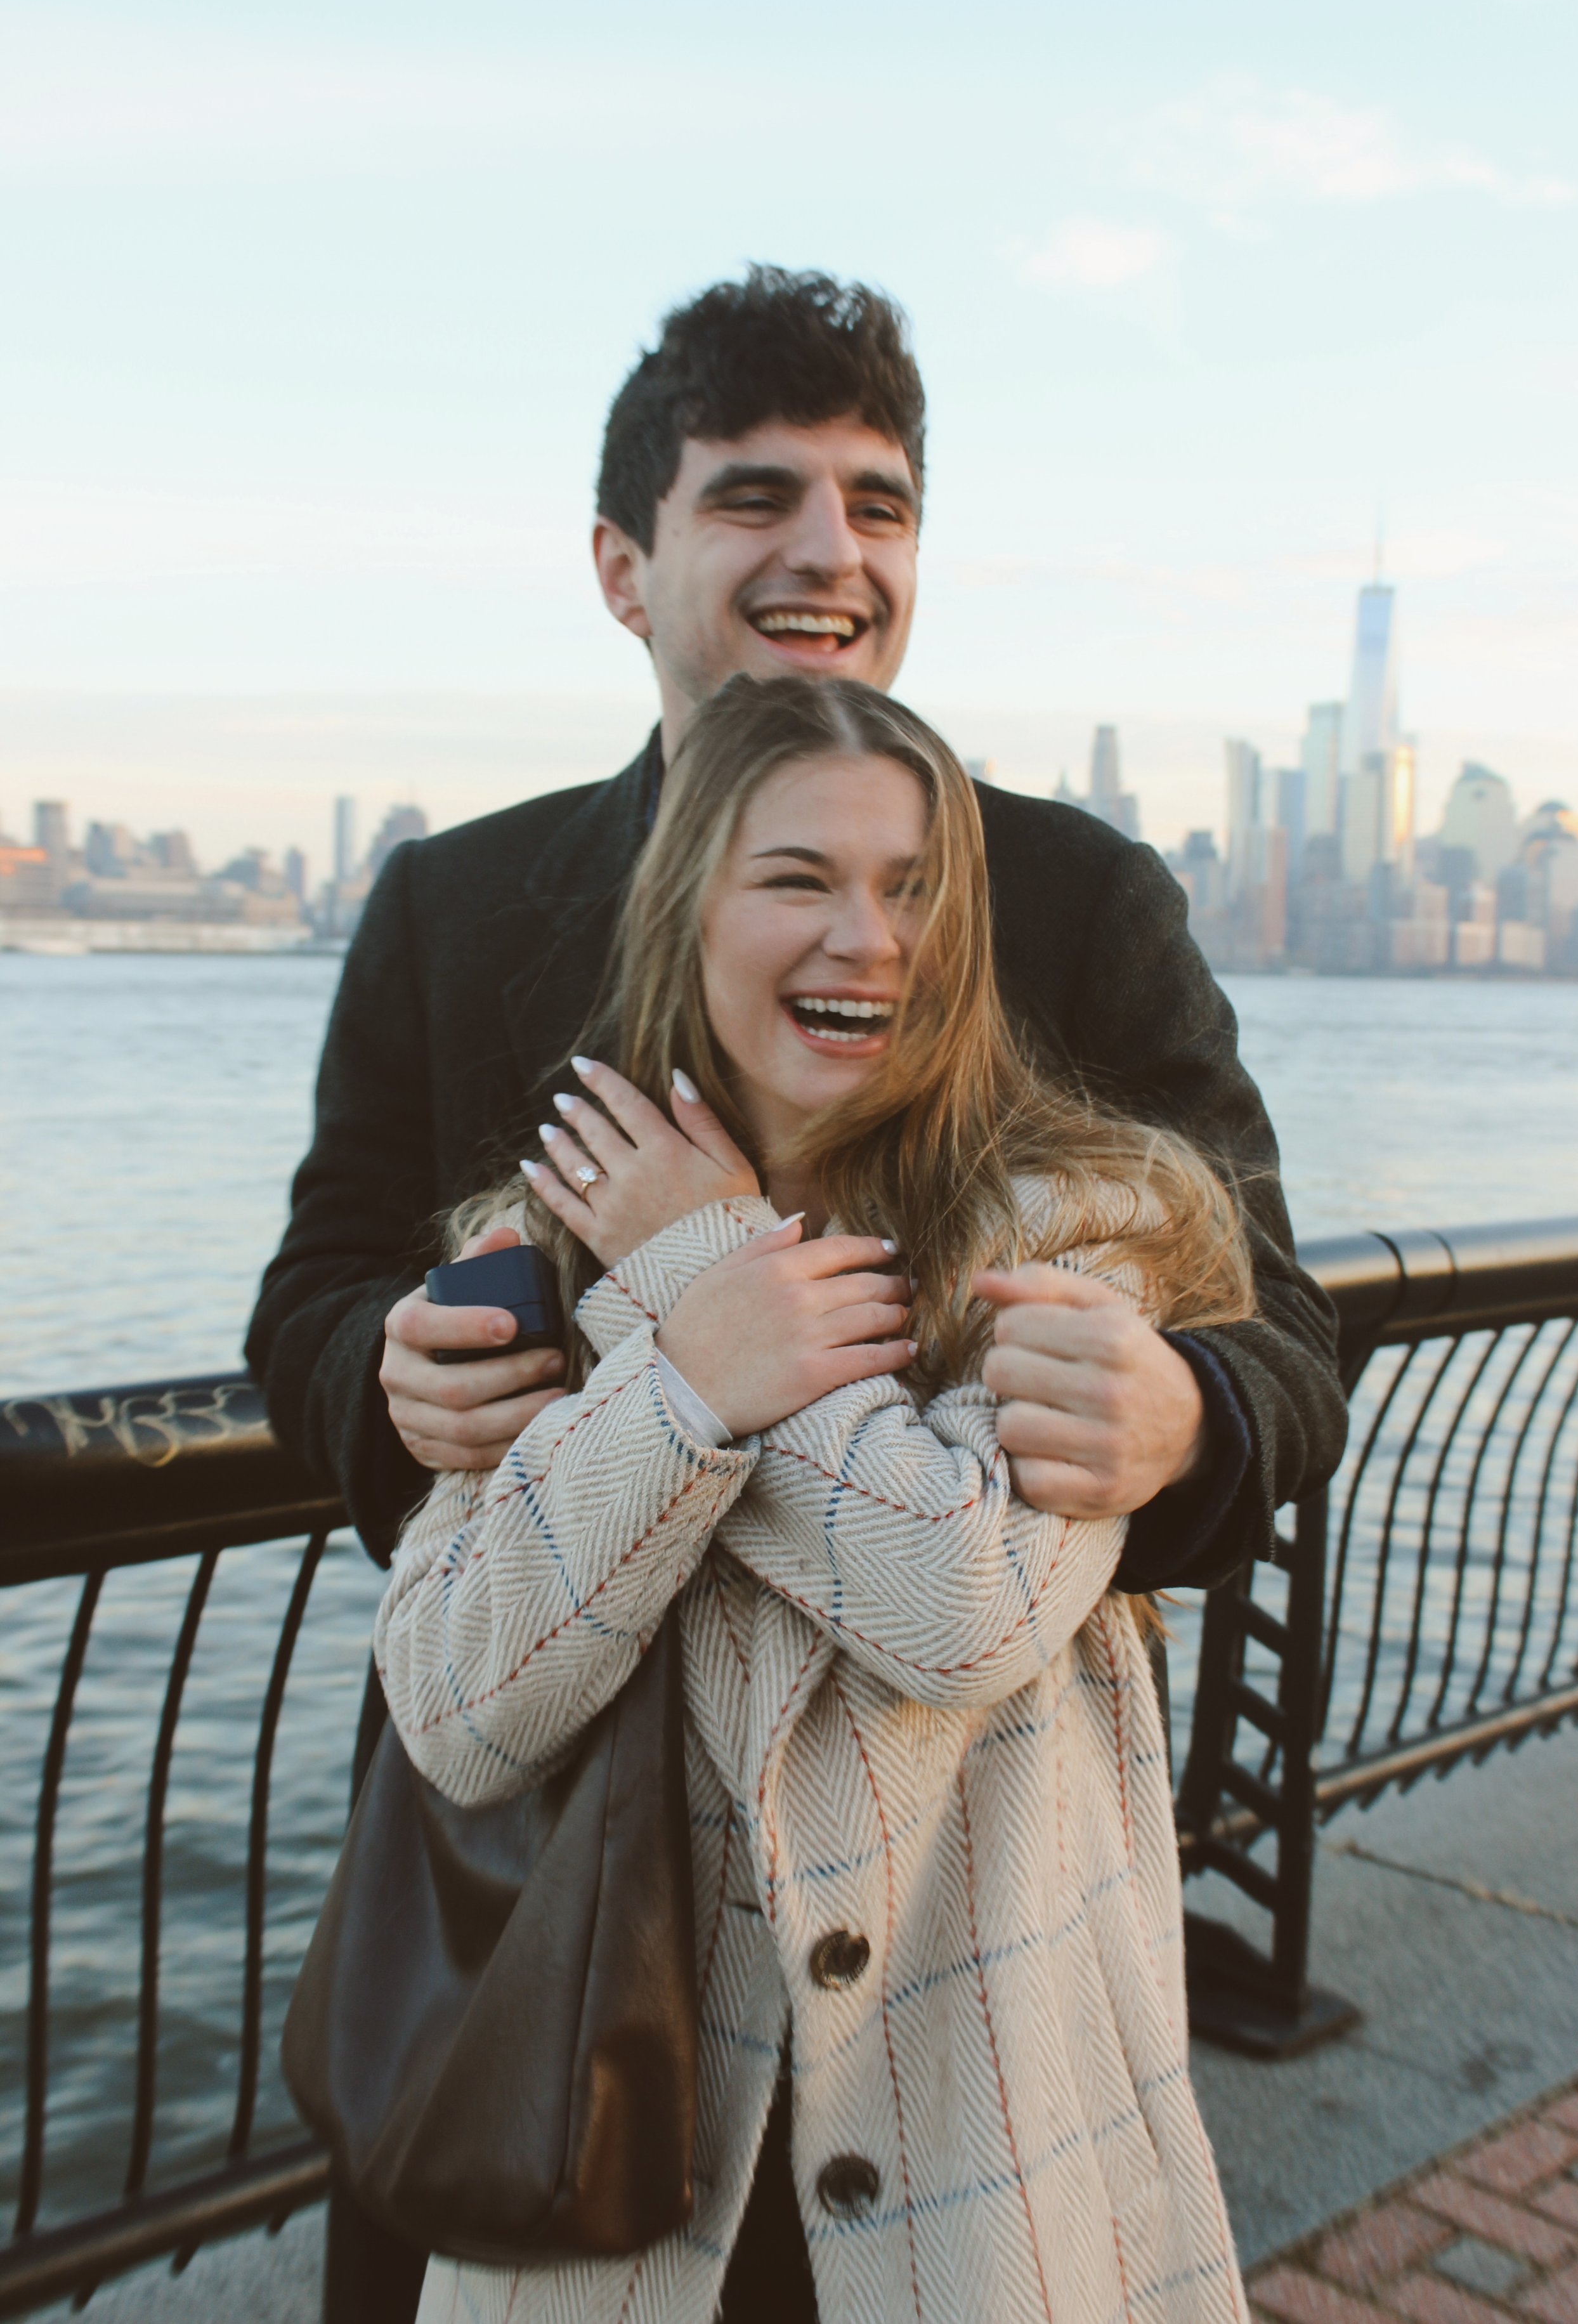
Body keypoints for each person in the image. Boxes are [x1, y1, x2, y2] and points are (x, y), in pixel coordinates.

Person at [247, 267, 1345, 2320]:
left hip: (946, 1930)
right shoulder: (459, 902)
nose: (830, 551)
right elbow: (320, 1280)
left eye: (881, 503)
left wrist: (1191, 1416)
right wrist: (381, 1383)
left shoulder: (1073, 900)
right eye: (756, 497)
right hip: (558, 1910)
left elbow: (1274, 1328)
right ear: (621, 561)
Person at [375, 674, 1258, 2324]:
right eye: (798, 878)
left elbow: (963, 1604)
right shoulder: (534, 1243)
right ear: (688, 905)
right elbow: (457, 1712)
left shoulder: (1077, 1224)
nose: (868, 938)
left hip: (981, 2162)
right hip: (616, 2164)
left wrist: (701, 1274)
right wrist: (685, 1367)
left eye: (913, 888)